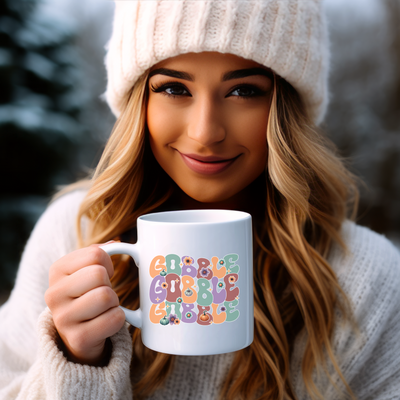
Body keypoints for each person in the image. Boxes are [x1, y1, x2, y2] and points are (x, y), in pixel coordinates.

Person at [1, 0, 399, 399]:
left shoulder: (368, 280)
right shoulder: (74, 232)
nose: (205, 132)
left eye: (244, 91)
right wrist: (76, 363)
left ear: (286, 110)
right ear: (141, 102)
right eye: (174, 88)